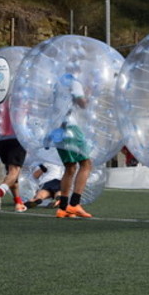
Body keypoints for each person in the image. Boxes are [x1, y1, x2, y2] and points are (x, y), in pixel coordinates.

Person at [53, 74, 93, 218]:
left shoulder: (57, 82)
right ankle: (74, 204)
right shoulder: (74, 82)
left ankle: (63, 207)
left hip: (57, 128)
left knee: (70, 167)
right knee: (86, 164)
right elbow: (82, 103)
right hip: (70, 127)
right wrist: (88, 93)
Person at [0, 98, 27, 214]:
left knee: (11, 172)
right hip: (16, 137)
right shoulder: (21, 96)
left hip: (0, 138)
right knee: (14, 170)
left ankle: (18, 203)